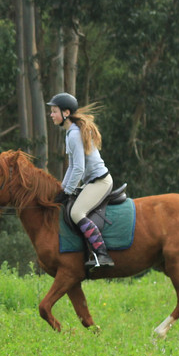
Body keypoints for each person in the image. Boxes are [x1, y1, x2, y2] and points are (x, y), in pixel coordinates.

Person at [47, 92, 115, 267]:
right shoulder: (70, 133)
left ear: (66, 113)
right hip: (92, 182)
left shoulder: (74, 134)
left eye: (54, 111)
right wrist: (62, 190)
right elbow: (71, 167)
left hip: (100, 182)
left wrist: (68, 190)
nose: (51, 115)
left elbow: (79, 168)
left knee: (76, 213)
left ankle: (102, 254)